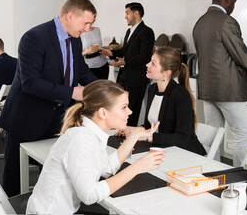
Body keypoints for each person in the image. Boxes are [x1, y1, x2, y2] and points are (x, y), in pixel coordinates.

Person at [0, 0, 98, 197]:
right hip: (25, 117)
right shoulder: (34, 38)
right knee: (14, 179)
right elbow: (30, 83)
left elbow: (81, 71)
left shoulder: (76, 40)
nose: (88, 29)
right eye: (86, 23)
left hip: (58, 118)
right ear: (70, 16)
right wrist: (73, 92)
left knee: (54, 173)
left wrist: (106, 89)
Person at [26, 80, 163, 215]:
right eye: (124, 107)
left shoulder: (91, 134)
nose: (130, 112)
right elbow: (89, 195)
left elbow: (106, 169)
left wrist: (134, 136)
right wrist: (136, 168)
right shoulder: (81, 140)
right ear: (103, 113)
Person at [193, 0, 247, 166]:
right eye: (234, 1)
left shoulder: (200, 22)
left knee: (213, 131)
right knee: (242, 133)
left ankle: (212, 171)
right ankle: (239, 175)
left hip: (208, 88)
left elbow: (219, 56)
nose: (234, 6)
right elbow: (240, 54)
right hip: (228, 89)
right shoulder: (227, 21)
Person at [117, 47, 207, 156]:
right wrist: (134, 129)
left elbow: (183, 139)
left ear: (166, 72)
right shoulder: (152, 89)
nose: (147, 65)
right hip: (163, 150)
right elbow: (154, 126)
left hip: (185, 154)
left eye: (153, 64)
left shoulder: (180, 94)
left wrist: (148, 136)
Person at [102, 2, 155, 126]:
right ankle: (120, 133)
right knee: (119, 107)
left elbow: (144, 56)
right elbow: (125, 51)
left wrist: (125, 61)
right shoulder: (128, 31)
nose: (125, 16)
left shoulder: (147, 31)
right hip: (125, 77)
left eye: (127, 13)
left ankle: (129, 137)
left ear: (136, 13)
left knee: (132, 111)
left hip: (138, 79)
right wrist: (111, 53)